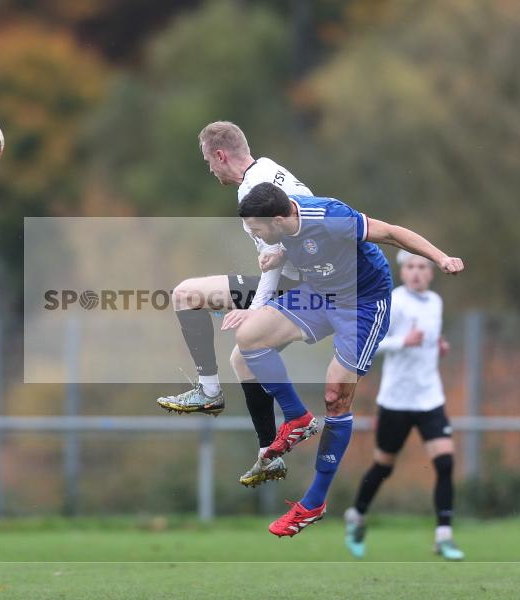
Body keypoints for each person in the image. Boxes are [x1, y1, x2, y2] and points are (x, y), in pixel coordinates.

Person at [234, 182, 464, 537]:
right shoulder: (283, 226)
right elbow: (300, 247)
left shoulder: (330, 216)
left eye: (257, 229)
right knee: (249, 337)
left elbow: (391, 233)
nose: (254, 235)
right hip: (322, 294)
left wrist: (441, 258)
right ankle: (297, 418)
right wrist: (280, 255)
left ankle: (312, 504)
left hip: (363, 303)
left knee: (335, 398)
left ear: (279, 218)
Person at [156, 121, 313, 488]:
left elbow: (273, 262)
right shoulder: (271, 171)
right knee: (243, 358)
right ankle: (268, 454)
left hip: (296, 285)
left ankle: (208, 392)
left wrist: (256, 309)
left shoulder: (253, 193)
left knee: (185, 295)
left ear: (220, 155)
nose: (209, 169)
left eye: (208, 161)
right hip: (309, 281)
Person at [343, 250, 464, 560]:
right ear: (402, 270)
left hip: (430, 398)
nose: (416, 272)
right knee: (384, 466)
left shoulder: (436, 303)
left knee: (446, 464)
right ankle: (357, 515)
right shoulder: (394, 301)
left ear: (431, 272)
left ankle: (444, 536)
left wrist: (438, 345)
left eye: (422, 266)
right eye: (410, 266)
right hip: (396, 400)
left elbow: (429, 337)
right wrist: (402, 342)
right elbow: (372, 342)